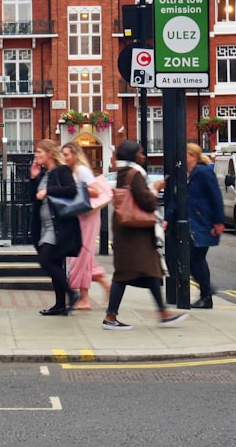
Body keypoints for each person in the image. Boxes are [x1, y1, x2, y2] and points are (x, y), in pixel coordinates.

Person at [102, 140, 187, 330]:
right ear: (133, 155)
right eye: (140, 153)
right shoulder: (135, 174)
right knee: (136, 273)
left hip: (128, 232)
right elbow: (146, 202)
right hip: (135, 233)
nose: (144, 156)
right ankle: (112, 316)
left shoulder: (124, 173)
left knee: (144, 273)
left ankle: (161, 313)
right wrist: (155, 189)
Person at [163, 143, 224, 309]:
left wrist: (219, 221)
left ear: (194, 157)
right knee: (190, 259)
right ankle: (206, 291)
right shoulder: (182, 174)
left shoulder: (203, 173)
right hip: (190, 224)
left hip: (203, 223)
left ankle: (206, 295)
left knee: (195, 259)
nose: (182, 158)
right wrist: (167, 218)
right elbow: (175, 199)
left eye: (186, 155)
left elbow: (216, 197)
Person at [26, 139, 82, 316]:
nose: (36, 156)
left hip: (58, 226)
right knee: (55, 263)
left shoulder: (62, 171)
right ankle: (60, 305)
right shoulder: (44, 175)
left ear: (50, 153)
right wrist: (34, 178)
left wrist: (48, 191)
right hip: (44, 226)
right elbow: (34, 198)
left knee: (45, 260)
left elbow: (71, 190)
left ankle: (72, 293)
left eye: (39, 152)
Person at [61, 141, 111, 310]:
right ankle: (86, 297)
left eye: (66, 154)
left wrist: (74, 188)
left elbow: (95, 190)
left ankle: (84, 296)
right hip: (79, 215)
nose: (64, 157)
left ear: (75, 154)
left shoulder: (82, 170)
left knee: (81, 255)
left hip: (88, 216)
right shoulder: (71, 170)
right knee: (82, 256)